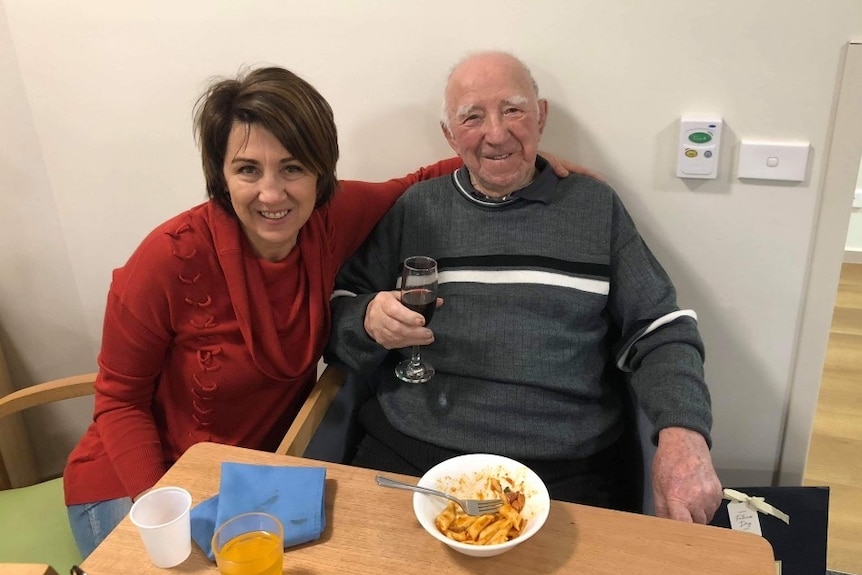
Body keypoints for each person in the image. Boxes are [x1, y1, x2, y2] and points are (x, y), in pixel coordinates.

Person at [62, 65, 585, 557]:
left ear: (320, 172)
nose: (272, 193)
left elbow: (417, 180)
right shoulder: (168, 259)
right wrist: (164, 504)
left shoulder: (327, 221)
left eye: (292, 167)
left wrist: (530, 163)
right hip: (141, 482)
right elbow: (118, 402)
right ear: (221, 177)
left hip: (255, 478)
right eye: (248, 169)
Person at [326, 51, 723, 524]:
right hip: (414, 453)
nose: (496, 133)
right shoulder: (416, 208)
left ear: (541, 117)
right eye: (473, 117)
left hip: (567, 470)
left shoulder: (595, 208)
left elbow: (659, 329)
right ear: (450, 135)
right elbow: (340, 312)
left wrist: (684, 434)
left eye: (512, 109)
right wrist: (368, 318)